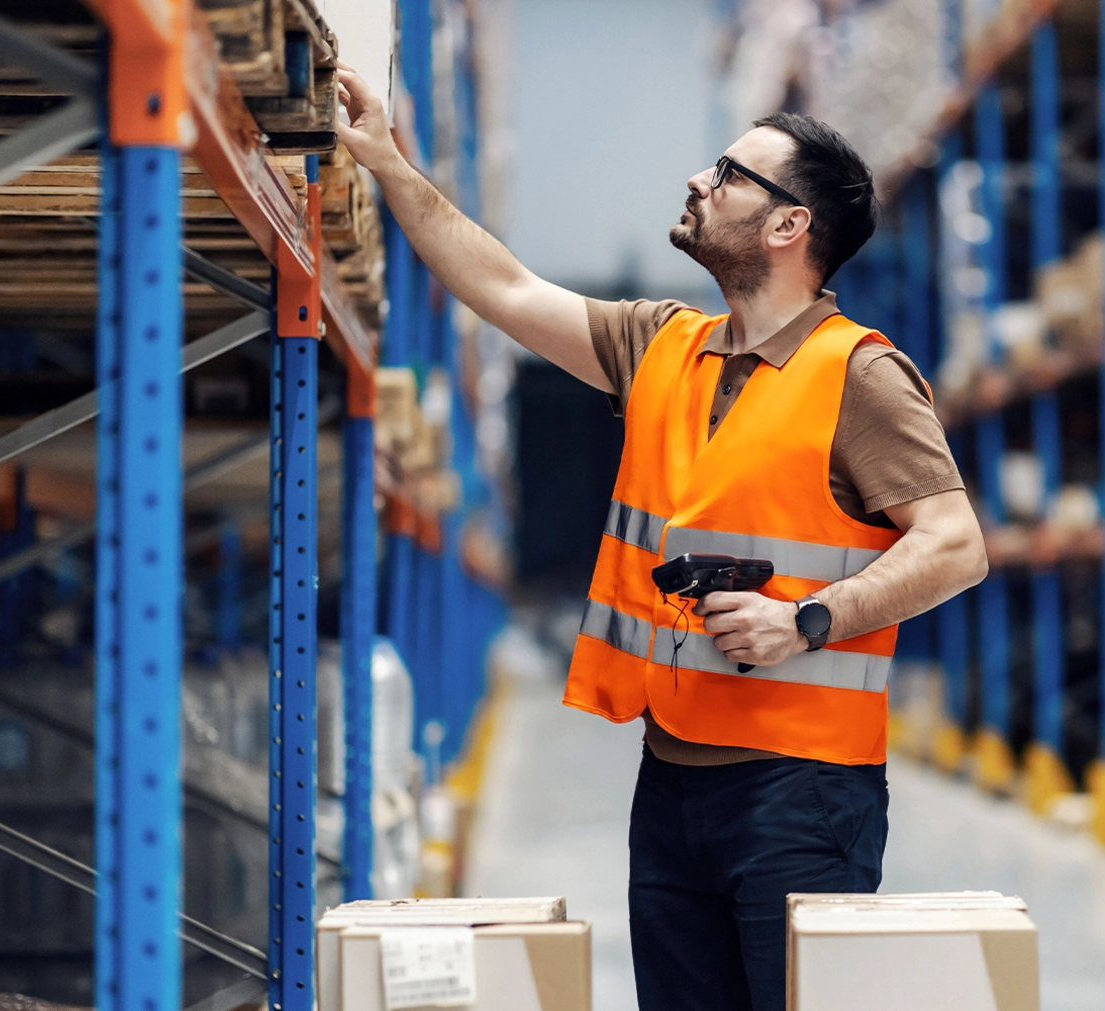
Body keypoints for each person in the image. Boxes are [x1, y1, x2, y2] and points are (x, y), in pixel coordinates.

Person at [335, 66, 989, 1011]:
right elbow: (508, 289)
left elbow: (956, 543)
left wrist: (806, 620)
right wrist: (389, 164)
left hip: (802, 800)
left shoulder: (862, 376)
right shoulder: (664, 346)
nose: (696, 180)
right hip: (672, 782)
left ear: (787, 226)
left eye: (728, 174)